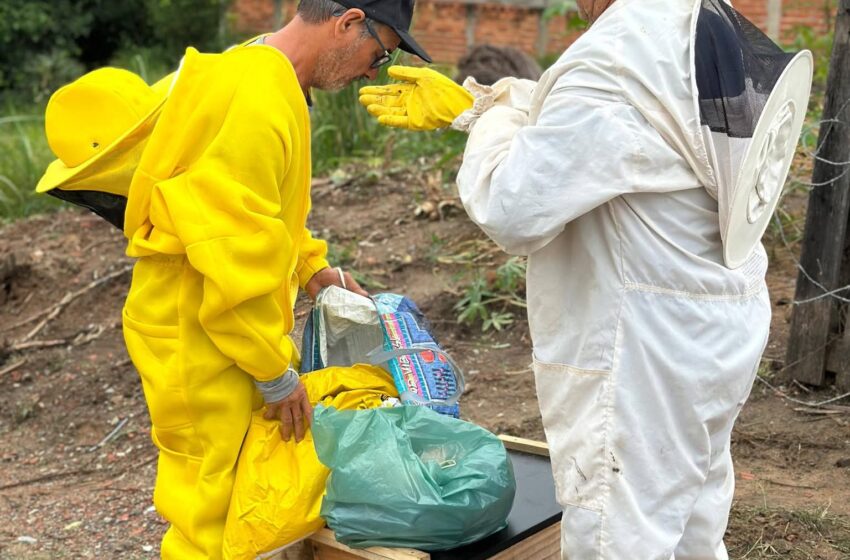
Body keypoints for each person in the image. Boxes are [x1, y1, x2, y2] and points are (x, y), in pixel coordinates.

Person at [359, 0, 812, 557]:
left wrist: (489, 120)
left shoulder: (618, 52)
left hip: (643, 346)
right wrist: (487, 101)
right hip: (713, 322)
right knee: (692, 522)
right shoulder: (696, 18)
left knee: (618, 535)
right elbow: (628, 124)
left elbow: (513, 205)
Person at [35, 0, 431, 557]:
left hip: (214, 328)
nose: (374, 70)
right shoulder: (256, 97)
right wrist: (274, 372)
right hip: (199, 332)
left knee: (239, 489)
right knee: (208, 507)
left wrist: (313, 269)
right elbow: (231, 253)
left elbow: (260, 214)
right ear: (347, 22)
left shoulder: (262, 71)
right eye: (380, 53)